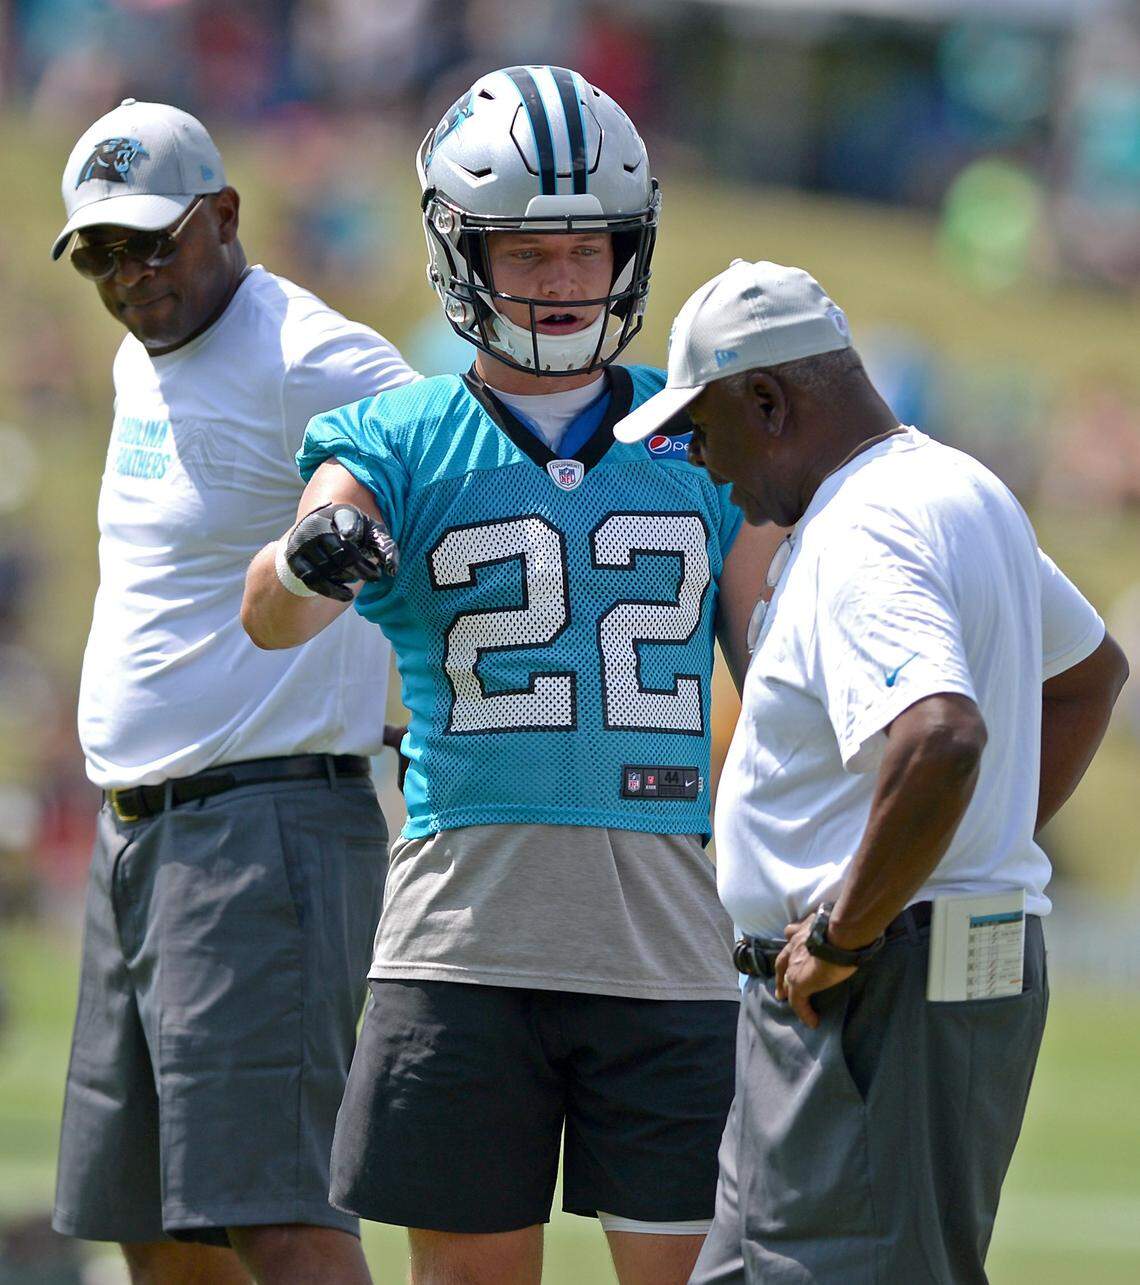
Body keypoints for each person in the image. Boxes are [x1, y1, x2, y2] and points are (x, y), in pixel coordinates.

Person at [242, 66, 780, 1285]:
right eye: (525, 248)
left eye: (587, 248)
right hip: (461, 945)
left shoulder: (702, 432)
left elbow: (776, 676)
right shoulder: (396, 433)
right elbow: (269, 614)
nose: (560, 277)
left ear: (629, 251)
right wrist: (306, 556)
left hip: (668, 941)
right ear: (460, 249)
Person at [613, 258, 1130, 1284]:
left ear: (768, 399)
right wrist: (970, 852)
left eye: (700, 430)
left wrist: (852, 925)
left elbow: (940, 733)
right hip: (907, 964)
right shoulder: (956, 487)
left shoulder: (865, 527)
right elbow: (1089, 674)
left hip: (868, 987)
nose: (704, 465)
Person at [50, 99, 417, 1285]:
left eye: (151, 243)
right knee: (154, 1223)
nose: (128, 276)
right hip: (142, 839)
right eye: (100, 252)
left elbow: (435, 471)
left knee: (279, 1216)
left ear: (224, 216)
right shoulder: (141, 352)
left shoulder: (306, 354)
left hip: (264, 832)